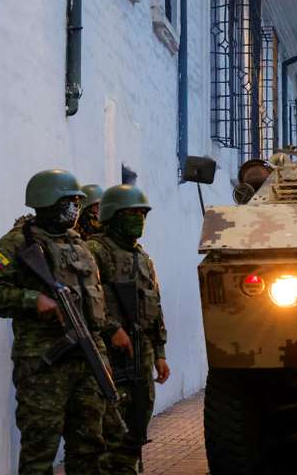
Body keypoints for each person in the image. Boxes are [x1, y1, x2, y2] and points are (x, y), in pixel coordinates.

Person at [0, 169, 113, 475]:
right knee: (40, 450)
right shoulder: (18, 243)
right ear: (46, 202)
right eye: (69, 203)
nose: (76, 210)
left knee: (91, 448)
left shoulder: (80, 245)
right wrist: (33, 300)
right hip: (43, 364)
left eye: (78, 202)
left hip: (87, 361)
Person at [87, 185, 170, 474]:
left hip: (142, 350)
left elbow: (155, 306)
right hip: (108, 352)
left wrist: (160, 352)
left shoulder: (143, 257)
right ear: (113, 215)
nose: (139, 219)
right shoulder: (96, 251)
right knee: (111, 427)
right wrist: (111, 330)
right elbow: (87, 299)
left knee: (137, 423)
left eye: (142, 213)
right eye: (132, 213)